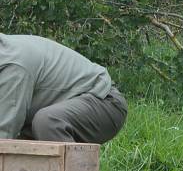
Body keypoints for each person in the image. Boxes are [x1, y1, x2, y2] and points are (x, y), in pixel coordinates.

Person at [0, 34, 128, 143]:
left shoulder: (13, 67)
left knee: (48, 121)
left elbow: (4, 136)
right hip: (58, 107)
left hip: (104, 102)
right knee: (22, 159)